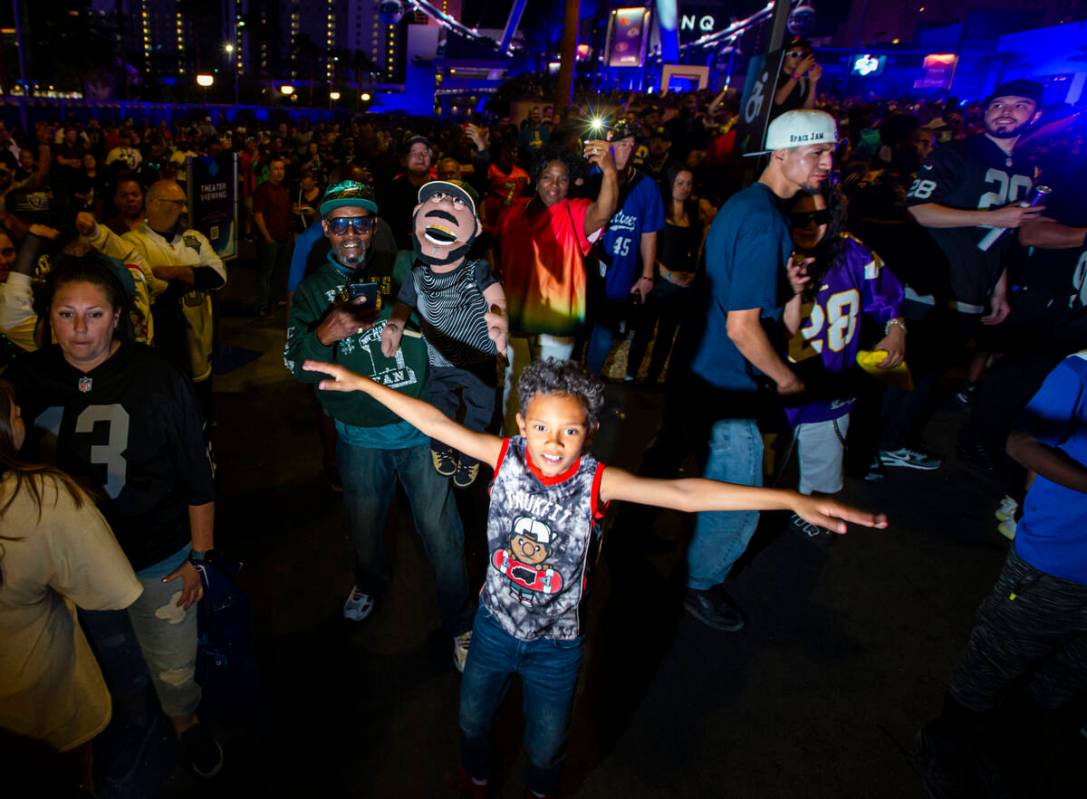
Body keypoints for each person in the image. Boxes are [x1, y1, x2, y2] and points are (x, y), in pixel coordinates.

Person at [302, 356, 887, 799]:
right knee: (472, 719)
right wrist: (366, 384)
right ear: (521, 423)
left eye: (570, 432)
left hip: (558, 649)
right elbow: (430, 418)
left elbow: (684, 494)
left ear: (590, 432)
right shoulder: (501, 458)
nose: (553, 443)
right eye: (541, 428)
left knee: (547, 745)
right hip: (492, 631)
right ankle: (475, 778)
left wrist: (787, 498)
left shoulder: (596, 482)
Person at [5, 254, 222, 778]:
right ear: (47, 317)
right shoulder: (24, 380)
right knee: (98, 656)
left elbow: (197, 475)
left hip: (156, 555)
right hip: (70, 568)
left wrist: (200, 557)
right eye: (66, 314)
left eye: (94, 314)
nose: (80, 329)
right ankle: (125, 721)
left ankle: (183, 722)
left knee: (172, 660)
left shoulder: (157, 377)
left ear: (119, 316)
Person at [283, 181, 474, 667]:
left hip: (421, 431)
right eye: (340, 223)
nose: (352, 234)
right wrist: (327, 331)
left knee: (442, 532)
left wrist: (406, 315)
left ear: (374, 227)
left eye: (361, 223)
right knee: (365, 528)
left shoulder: (402, 266)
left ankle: (461, 623)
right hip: (359, 439)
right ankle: (369, 584)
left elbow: (450, 296)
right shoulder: (311, 291)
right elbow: (293, 363)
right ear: (325, 228)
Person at [676, 109, 837, 632]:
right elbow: (742, 329)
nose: (827, 163)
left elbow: (754, 310)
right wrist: (787, 379)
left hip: (706, 374)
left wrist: (790, 288)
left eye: (830, 152)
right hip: (729, 383)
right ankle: (698, 586)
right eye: (816, 153)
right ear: (782, 153)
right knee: (741, 501)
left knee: (708, 478)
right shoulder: (766, 220)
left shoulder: (750, 207)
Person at [918, 351, 1087, 797]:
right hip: (1054, 564)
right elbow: (1022, 444)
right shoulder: (1078, 371)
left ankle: (1000, 748)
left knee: (1067, 673)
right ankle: (946, 750)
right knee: (993, 663)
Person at [899, 80, 1044, 472]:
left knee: (931, 373)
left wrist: (998, 291)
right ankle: (886, 444)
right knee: (913, 373)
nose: (1006, 112)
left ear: (1036, 115)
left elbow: (1001, 237)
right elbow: (918, 210)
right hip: (933, 287)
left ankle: (891, 442)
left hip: (972, 288)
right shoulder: (958, 152)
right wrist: (991, 216)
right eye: (999, 104)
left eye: (1019, 106)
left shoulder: (1028, 164)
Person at [0, 378, 143, 764]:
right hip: (39, 693)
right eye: (13, 414)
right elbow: (115, 589)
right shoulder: (40, 497)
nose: (21, 419)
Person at [781, 187, 906, 531]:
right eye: (799, 217)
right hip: (773, 385)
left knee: (822, 473)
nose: (809, 225)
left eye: (819, 217)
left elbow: (887, 294)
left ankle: (814, 519)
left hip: (831, 386)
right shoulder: (769, 249)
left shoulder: (853, 252)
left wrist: (896, 328)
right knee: (756, 473)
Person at [383, 180, 507, 488]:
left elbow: (495, 294)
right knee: (439, 407)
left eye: (457, 205)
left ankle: (470, 456)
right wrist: (396, 324)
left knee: (481, 410)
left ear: (475, 228)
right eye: (437, 201)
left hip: (478, 357)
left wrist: (498, 318)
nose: (446, 207)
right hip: (438, 360)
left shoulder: (474, 269)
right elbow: (404, 303)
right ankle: (441, 447)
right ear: (417, 215)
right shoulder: (416, 274)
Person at [78, 179, 226, 419]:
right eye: (178, 203)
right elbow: (153, 282)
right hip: (165, 341)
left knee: (202, 400)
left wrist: (174, 271)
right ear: (155, 203)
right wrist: (191, 275)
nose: (184, 210)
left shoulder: (194, 238)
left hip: (200, 337)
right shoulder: (135, 241)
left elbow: (218, 275)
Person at [493, 144, 617, 418]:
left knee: (548, 387)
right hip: (517, 316)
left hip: (558, 320)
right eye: (548, 177)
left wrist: (608, 170)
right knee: (514, 383)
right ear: (537, 179)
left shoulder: (575, 212)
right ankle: (511, 446)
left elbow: (604, 211)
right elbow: (497, 251)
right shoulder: (514, 212)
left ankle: (540, 452)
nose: (555, 185)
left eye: (563, 178)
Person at [584, 120, 666, 375]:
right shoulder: (590, 177)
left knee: (603, 334)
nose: (628, 150)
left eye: (632, 145)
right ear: (609, 145)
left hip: (620, 269)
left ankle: (589, 384)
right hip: (585, 270)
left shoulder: (646, 186)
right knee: (577, 331)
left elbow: (649, 231)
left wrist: (648, 275)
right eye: (622, 144)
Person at [625, 164, 704, 383]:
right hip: (657, 280)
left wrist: (691, 274)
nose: (684, 188)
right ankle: (631, 373)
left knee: (667, 334)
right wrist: (667, 274)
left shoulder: (693, 213)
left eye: (688, 184)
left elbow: (695, 249)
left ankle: (653, 375)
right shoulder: (657, 210)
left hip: (681, 284)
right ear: (670, 184)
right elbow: (647, 247)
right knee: (644, 331)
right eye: (679, 183)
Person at [252, 157, 293, 316]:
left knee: (279, 273)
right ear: (269, 171)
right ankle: (262, 305)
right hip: (269, 239)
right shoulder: (262, 190)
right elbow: (258, 215)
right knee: (265, 274)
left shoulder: (283, 191)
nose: (279, 172)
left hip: (284, 239)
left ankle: (274, 302)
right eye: (276, 168)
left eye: (282, 169)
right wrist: (267, 237)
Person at [384, 135, 436, 250]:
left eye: (425, 152)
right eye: (414, 153)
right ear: (403, 160)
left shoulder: (442, 191)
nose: (420, 157)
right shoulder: (391, 193)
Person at [773, 37, 821, 115]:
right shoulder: (776, 75)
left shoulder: (802, 81)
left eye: (801, 55)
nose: (798, 58)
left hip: (793, 125)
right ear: (784, 56)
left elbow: (807, 109)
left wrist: (813, 83)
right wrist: (798, 73)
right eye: (794, 54)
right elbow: (778, 100)